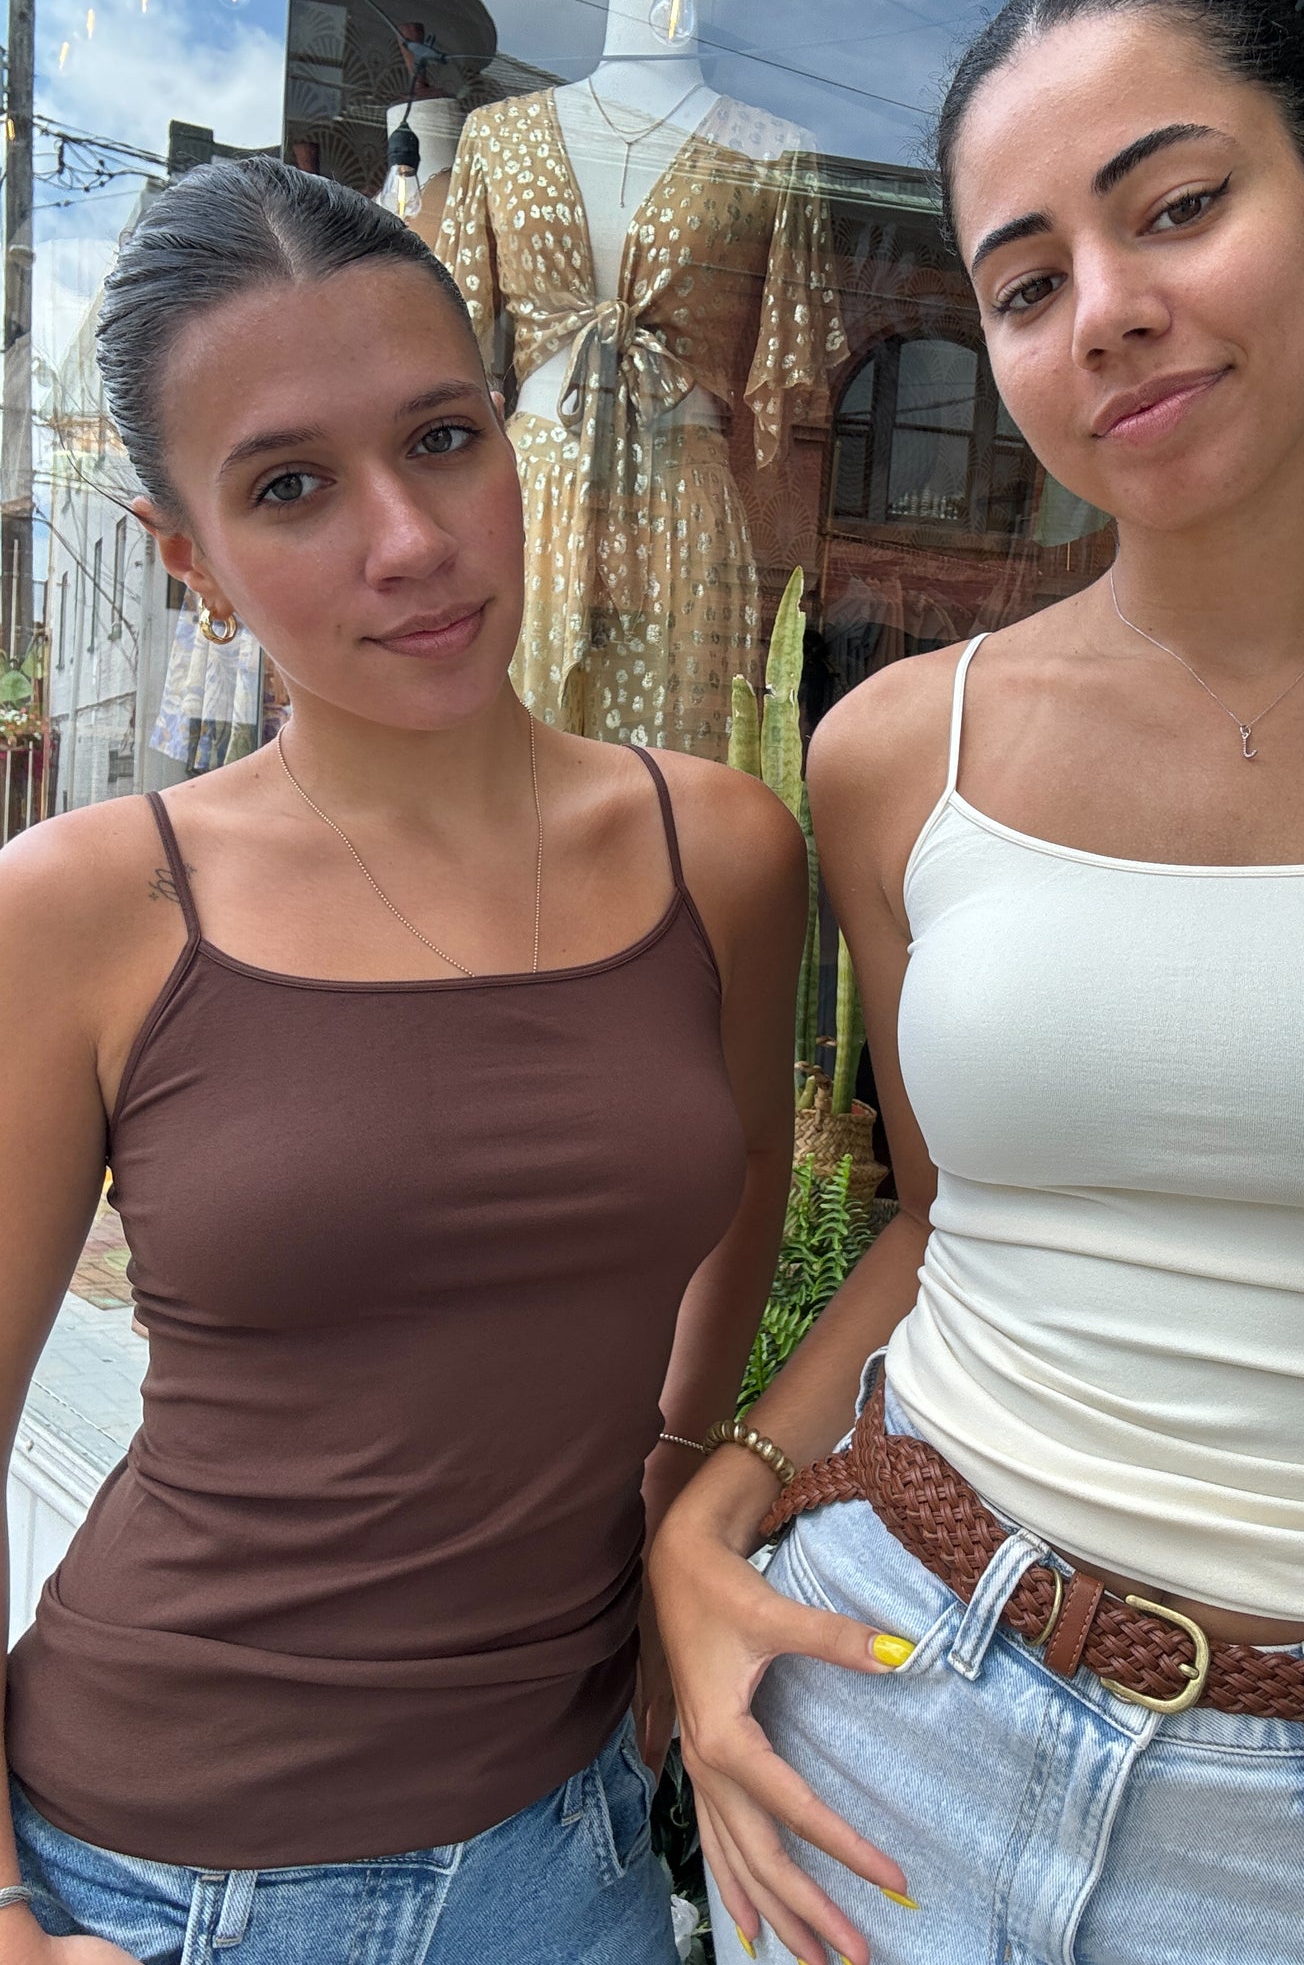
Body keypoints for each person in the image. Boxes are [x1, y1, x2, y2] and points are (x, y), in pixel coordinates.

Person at [650, 0, 1304, 1965]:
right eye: (1028, 283)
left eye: (1180, 205)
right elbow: (940, 1222)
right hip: (887, 1721)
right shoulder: (898, 755)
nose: (1110, 310)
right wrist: (713, 1506)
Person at [0, 156, 806, 1965]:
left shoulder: (723, 852)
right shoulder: (88, 907)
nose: (411, 541)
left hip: (574, 1846)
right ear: (189, 559)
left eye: (443, 439)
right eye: (289, 486)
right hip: (159, 1881)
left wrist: (681, 1489)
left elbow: (746, 1180)